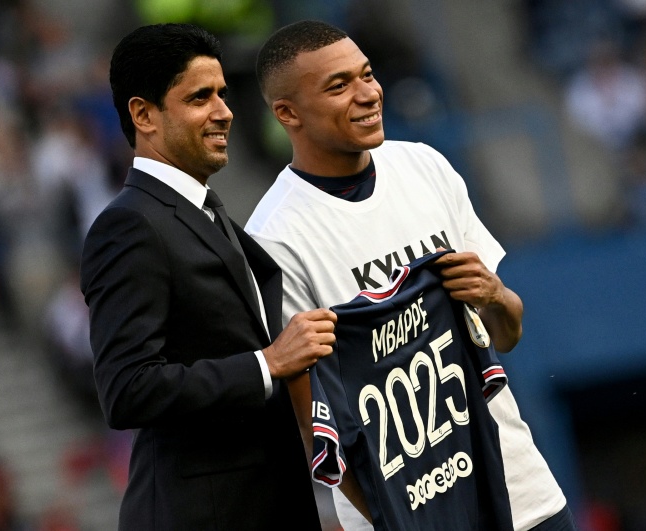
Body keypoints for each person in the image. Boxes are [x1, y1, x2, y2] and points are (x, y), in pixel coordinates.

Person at [246, 20, 576, 530]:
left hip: (522, 496)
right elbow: (313, 428)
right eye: (338, 86)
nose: (368, 94)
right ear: (287, 113)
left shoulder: (424, 166)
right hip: (406, 515)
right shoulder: (274, 238)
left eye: (367, 74)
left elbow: (507, 334)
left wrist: (495, 296)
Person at [80, 23, 335, 530]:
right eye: (200, 97)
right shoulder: (129, 225)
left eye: (222, 93)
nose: (224, 111)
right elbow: (127, 388)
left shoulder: (204, 213)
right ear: (143, 115)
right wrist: (267, 363)